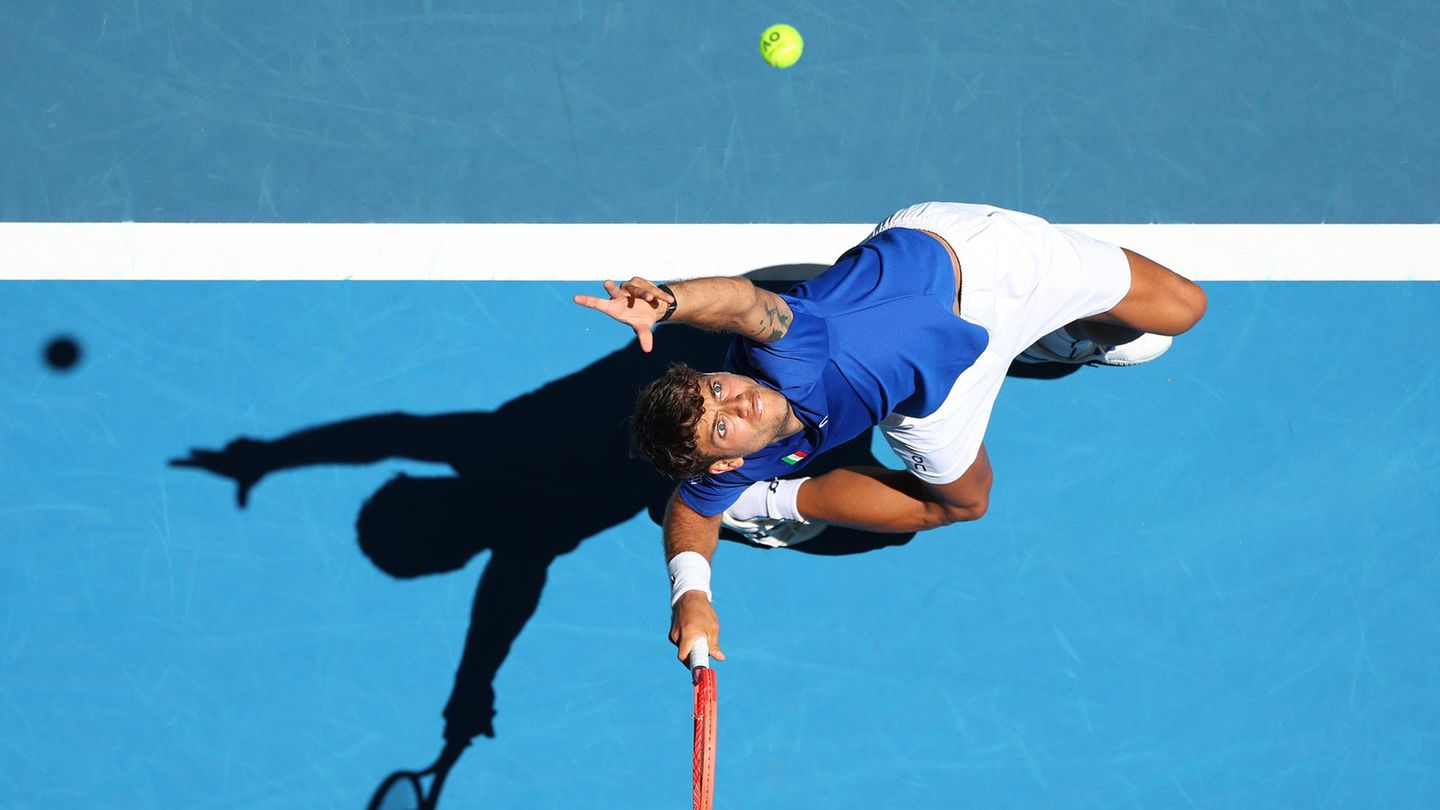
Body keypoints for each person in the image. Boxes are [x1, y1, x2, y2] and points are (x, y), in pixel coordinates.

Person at [573, 202, 1207, 667]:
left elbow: (743, 302)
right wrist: (691, 594)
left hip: (974, 254)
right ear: (723, 464)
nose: (735, 398)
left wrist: (670, 302)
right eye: (721, 424)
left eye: (716, 387)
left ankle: (1057, 332)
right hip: (937, 388)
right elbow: (688, 506)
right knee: (963, 502)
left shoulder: (789, 352)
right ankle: (775, 504)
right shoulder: (724, 470)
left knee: (1180, 310)